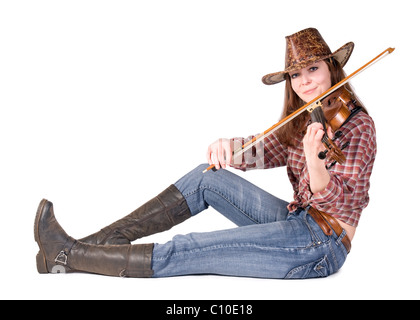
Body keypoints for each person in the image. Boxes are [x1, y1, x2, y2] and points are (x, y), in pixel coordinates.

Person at [34, 28, 376, 279]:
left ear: (332, 67)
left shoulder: (358, 126)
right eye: (296, 75)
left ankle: (69, 255)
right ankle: (85, 247)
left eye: (313, 69)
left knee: (190, 246)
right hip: (295, 220)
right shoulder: (304, 119)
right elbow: (265, 149)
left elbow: (340, 202)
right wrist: (232, 149)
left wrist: (316, 162)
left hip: (322, 244)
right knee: (204, 176)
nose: (304, 82)